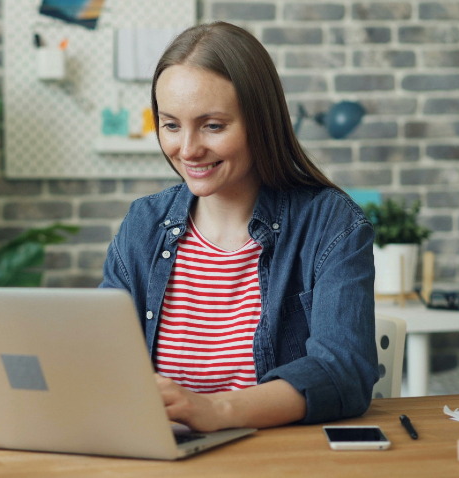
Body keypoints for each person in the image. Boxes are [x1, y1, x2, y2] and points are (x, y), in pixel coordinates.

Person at [100, 22, 378, 432]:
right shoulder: (143, 225)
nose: (188, 149)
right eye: (171, 125)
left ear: (259, 122)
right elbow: (101, 359)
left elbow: (344, 371)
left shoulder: (330, 223)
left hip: (276, 458)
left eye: (213, 126)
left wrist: (217, 412)